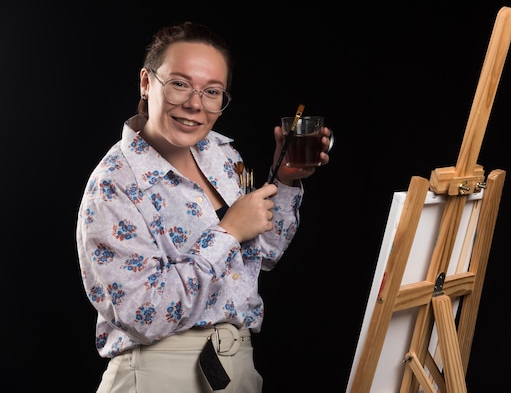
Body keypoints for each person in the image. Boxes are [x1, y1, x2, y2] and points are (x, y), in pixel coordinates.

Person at [76, 21, 332, 393]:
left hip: (237, 366)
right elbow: (142, 314)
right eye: (180, 84)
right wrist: (227, 233)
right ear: (147, 83)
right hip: (158, 375)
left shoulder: (221, 153)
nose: (195, 104)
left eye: (212, 91)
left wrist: (286, 180)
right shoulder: (113, 184)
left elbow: (262, 254)